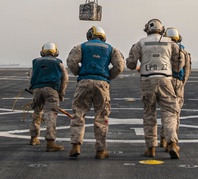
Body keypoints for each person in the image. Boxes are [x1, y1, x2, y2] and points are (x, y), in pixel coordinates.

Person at [126, 19, 184, 159]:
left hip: (147, 80)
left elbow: (130, 62)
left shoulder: (140, 43)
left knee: (149, 114)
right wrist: (173, 68)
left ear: (147, 29)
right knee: (170, 113)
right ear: (162, 29)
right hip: (166, 80)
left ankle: (150, 147)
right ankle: (171, 143)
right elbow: (180, 60)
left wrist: (138, 67)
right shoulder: (170, 43)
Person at [66, 26, 124, 160]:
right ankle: (101, 150)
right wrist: (108, 76)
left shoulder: (81, 47)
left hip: (84, 82)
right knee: (101, 117)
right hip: (102, 84)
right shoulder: (111, 49)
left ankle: (75, 145)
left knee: (78, 113)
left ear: (90, 35)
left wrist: (79, 73)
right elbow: (120, 66)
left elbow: (71, 61)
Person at [29, 42, 68, 152]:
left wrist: (33, 89)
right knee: (50, 114)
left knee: (37, 112)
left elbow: (31, 77)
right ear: (55, 51)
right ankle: (50, 142)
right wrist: (61, 93)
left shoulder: (36, 62)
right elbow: (65, 78)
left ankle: (34, 138)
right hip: (51, 90)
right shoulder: (58, 62)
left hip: (37, 89)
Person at [163, 27, 191, 147]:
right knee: (175, 112)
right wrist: (182, 83)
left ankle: (163, 139)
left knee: (166, 111)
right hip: (178, 82)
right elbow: (187, 69)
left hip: (165, 80)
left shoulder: (163, 49)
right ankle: (173, 140)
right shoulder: (182, 50)